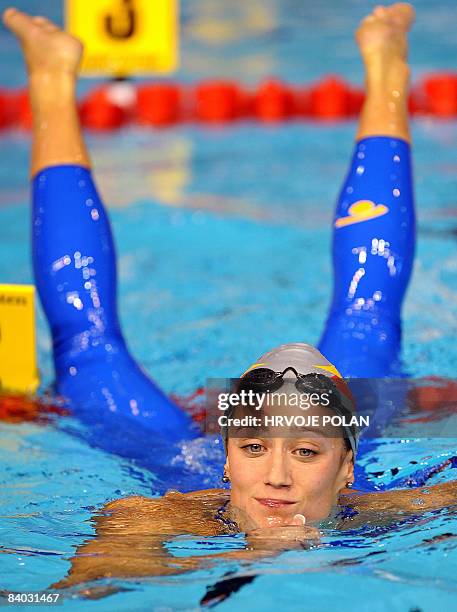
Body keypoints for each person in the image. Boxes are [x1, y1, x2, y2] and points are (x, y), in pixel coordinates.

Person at [3, 3, 457, 587]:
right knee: (365, 318)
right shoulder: (151, 514)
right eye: (252, 446)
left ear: (349, 468)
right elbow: (80, 594)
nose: (275, 478)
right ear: (225, 456)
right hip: (172, 462)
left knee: (88, 351)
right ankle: (51, 75)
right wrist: (248, 559)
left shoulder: (400, 510)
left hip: (164, 443)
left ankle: (388, 69)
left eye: (307, 453)